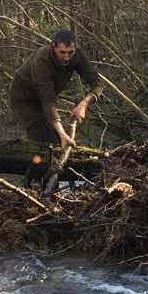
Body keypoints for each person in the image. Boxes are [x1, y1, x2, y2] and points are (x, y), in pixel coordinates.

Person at [10, 29, 104, 185]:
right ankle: (31, 184)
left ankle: (54, 181)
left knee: (54, 140)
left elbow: (97, 83)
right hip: (25, 99)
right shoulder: (42, 60)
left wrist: (84, 103)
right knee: (44, 142)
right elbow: (47, 101)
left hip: (46, 97)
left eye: (70, 52)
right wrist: (61, 133)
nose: (67, 57)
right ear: (53, 47)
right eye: (62, 52)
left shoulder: (77, 56)